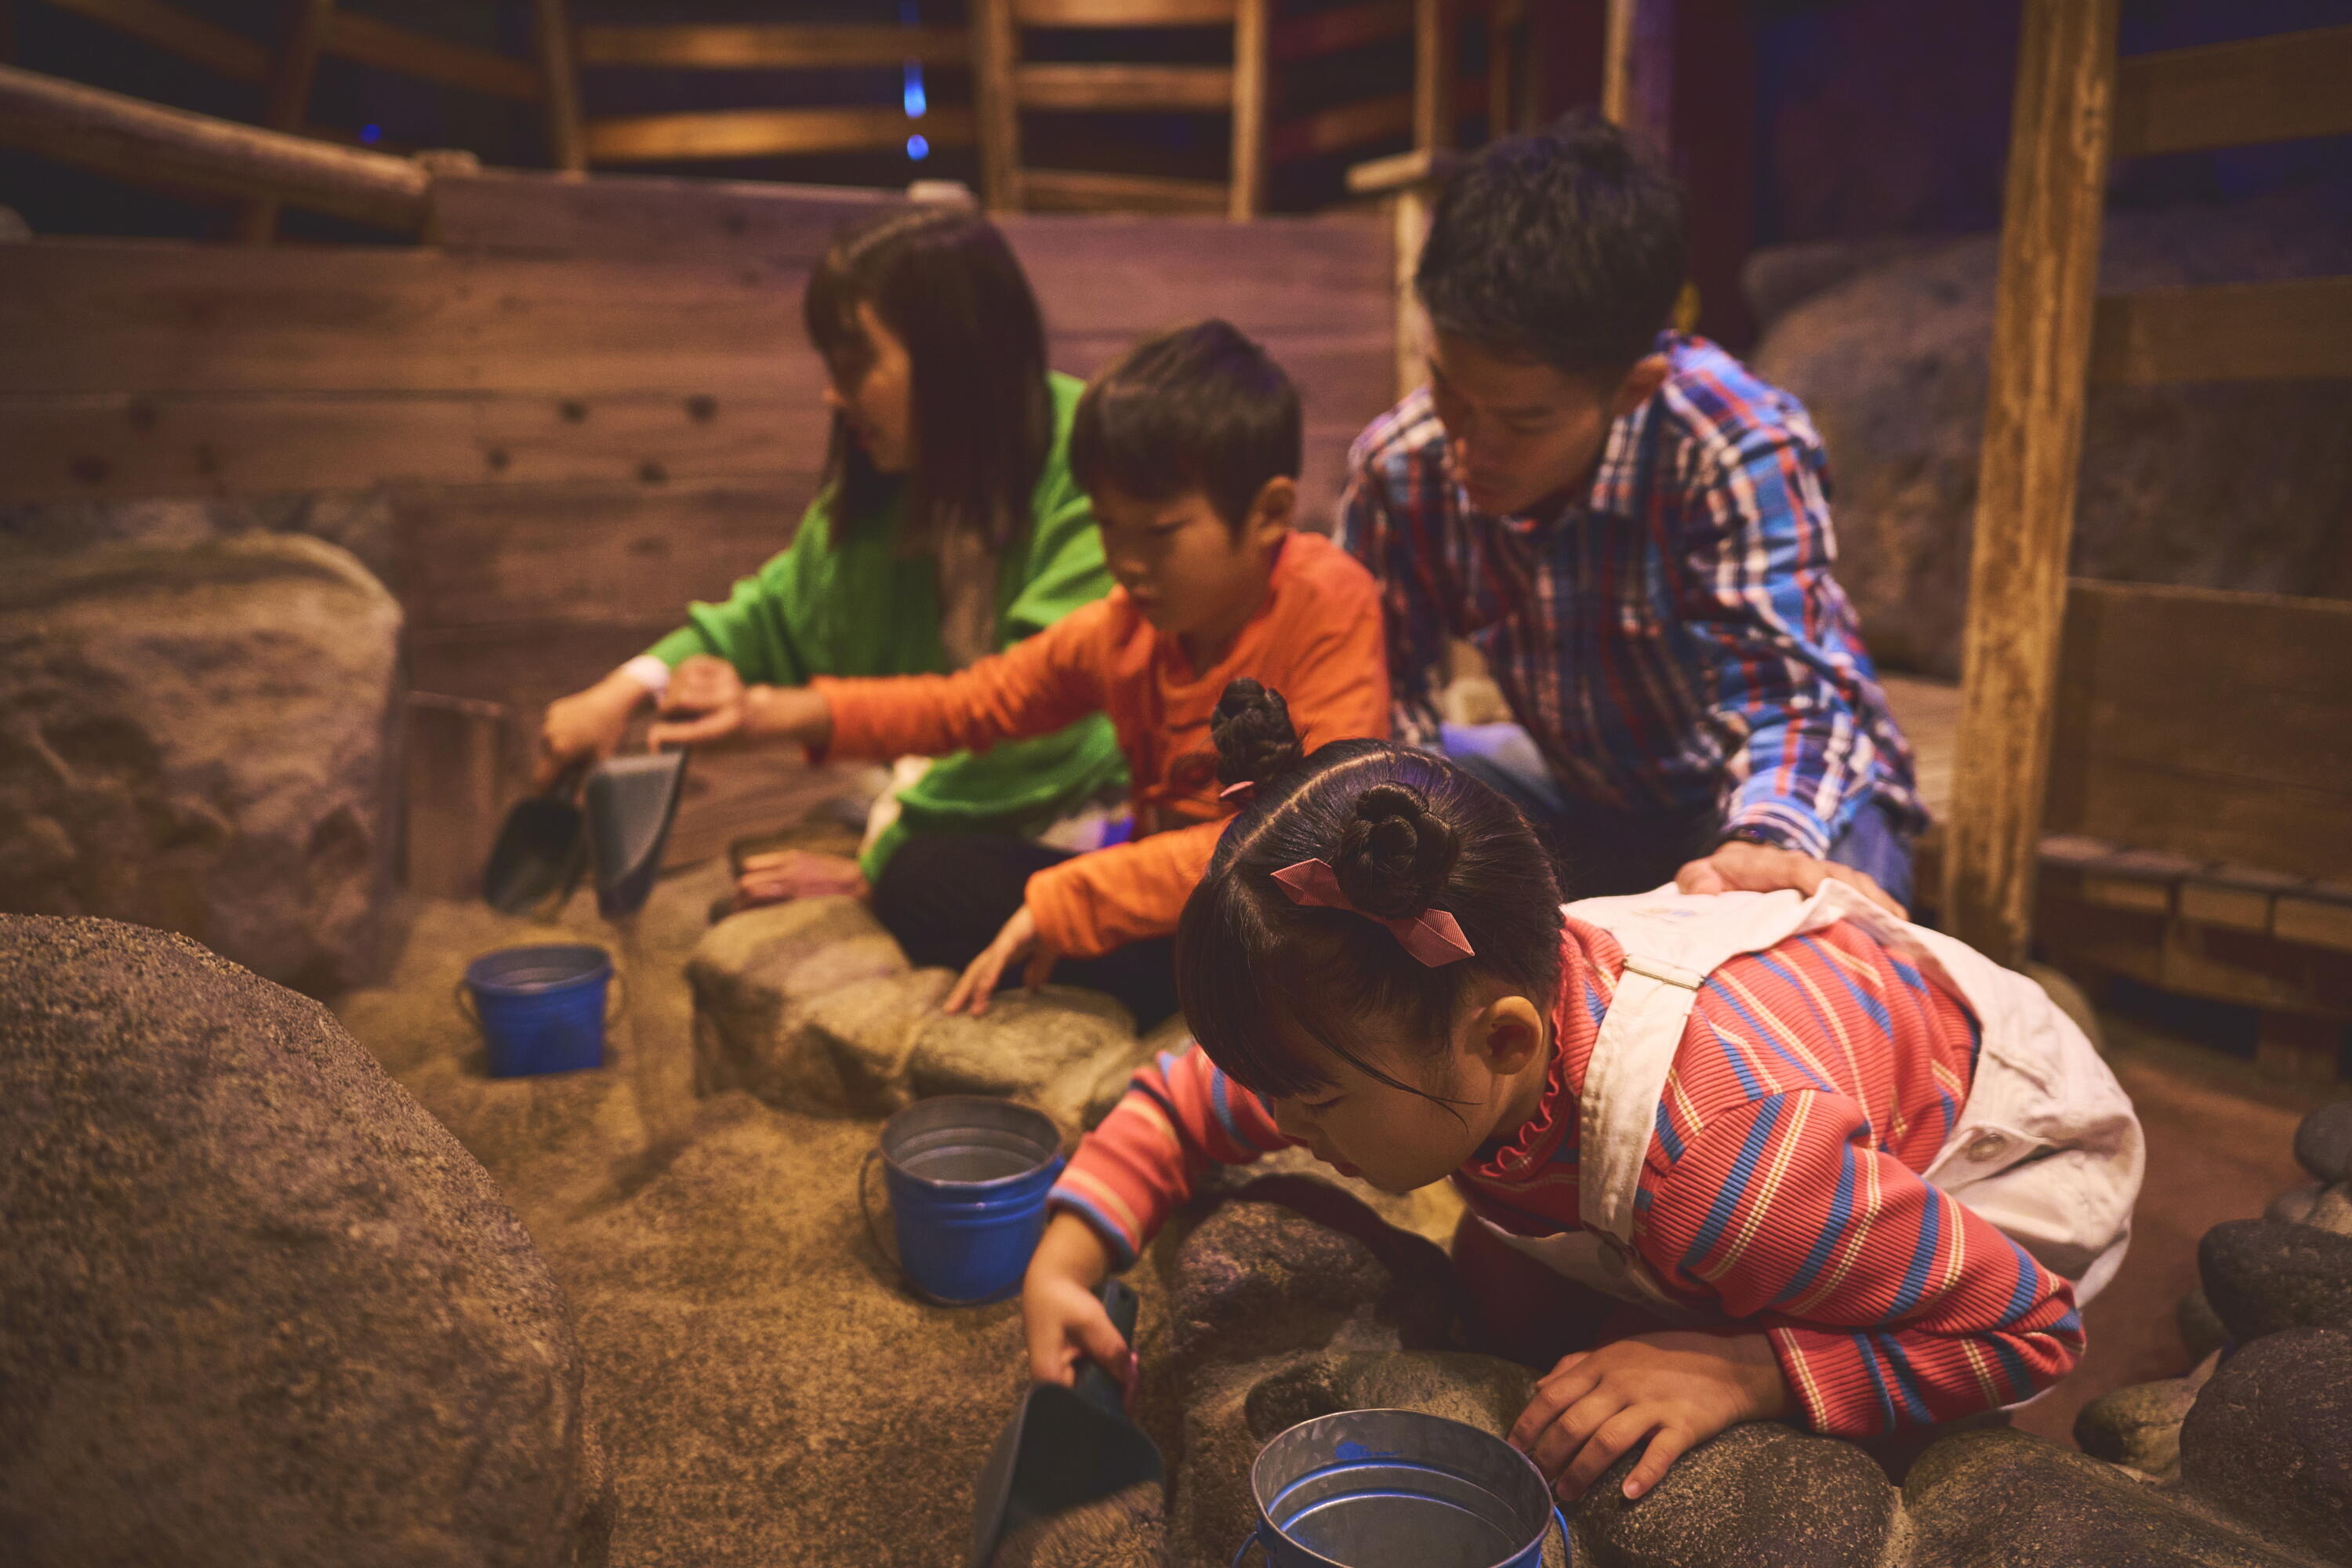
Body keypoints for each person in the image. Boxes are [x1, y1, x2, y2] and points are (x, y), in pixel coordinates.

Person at [1025, 681, 2143, 1502]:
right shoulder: (1404, 1024)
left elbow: (2025, 1325)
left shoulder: (1723, 1172)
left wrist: (1752, 1374)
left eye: (1304, 1101)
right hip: (1788, 1101)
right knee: (1517, 1295)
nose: (1282, 1121)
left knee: (1752, 1391)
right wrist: (1071, 1251)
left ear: (1507, 1040)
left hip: (2003, 1156)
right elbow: (1186, 1099)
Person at [646, 322, 1389, 1029]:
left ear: (1269, 513)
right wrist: (770, 712)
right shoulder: (1126, 623)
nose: (1126, 562)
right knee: (921, 876)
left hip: (1279, 913)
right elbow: (972, 705)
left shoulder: (1327, 600)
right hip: (1163, 904)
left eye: (1157, 533)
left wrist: (1073, 898)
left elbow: (1305, 836)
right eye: (1107, 527)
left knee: (1285, 939)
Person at [1340, 110, 1926, 911]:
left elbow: (1788, 704)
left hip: (1770, 790)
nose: (1468, 446)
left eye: (1523, 421)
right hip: (1583, 793)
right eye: (1449, 389)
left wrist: (1759, 847)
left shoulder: (1733, 442)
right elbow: (1388, 699)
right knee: (1367, 795)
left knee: (1802, 925)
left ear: (1631, 389)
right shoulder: (1399, 464)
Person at [535, 203, 1127, 905]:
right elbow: (776, 614)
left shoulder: (1092, 463)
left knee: (923, 887)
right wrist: (624, 691)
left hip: (1081, 798)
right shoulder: (891, 484)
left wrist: (872, 869)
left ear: (955, 353)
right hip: (941, 786)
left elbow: (1040, 723)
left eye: (854, 363)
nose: (831, 392)